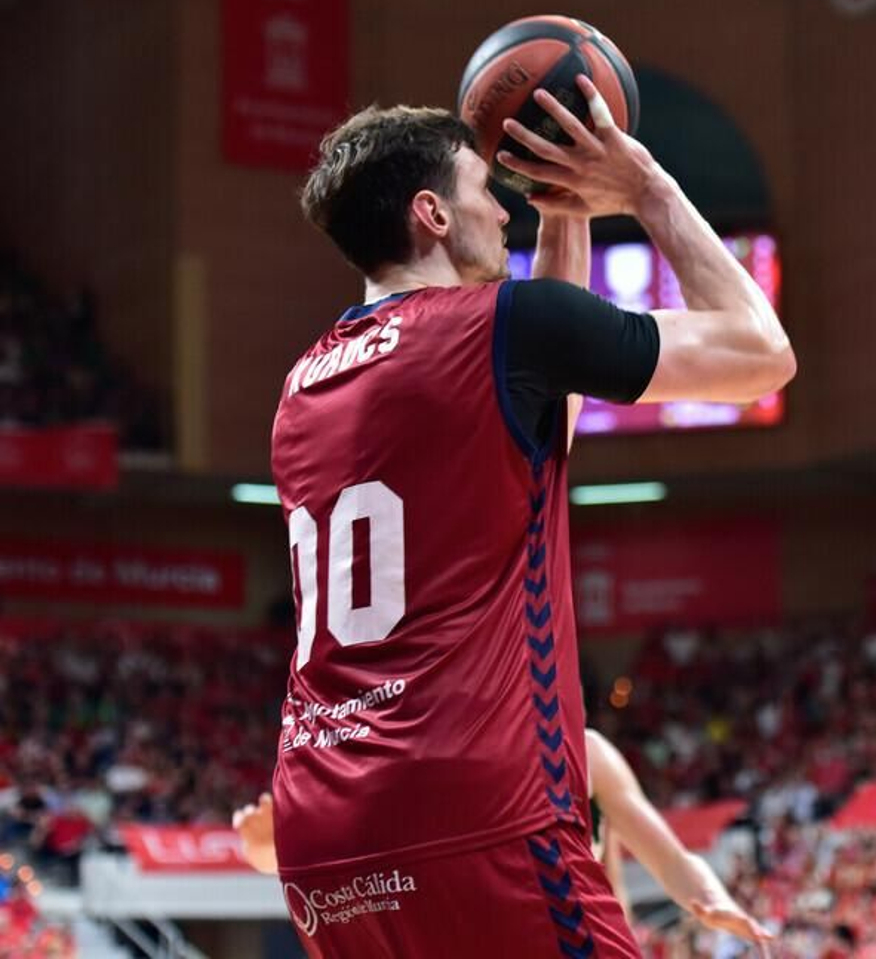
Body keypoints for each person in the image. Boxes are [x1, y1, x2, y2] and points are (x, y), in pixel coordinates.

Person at [271, 77, 794, 958]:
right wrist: (645, 188)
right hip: (474, 811)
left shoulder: (302, 386)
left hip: (323, 833)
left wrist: (563, 208)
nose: (504, 212)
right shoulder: (504, 325)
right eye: (488, 191)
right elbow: (762, 354)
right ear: (433, 214)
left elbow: (539, 411)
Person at [236, 730, 773, 953]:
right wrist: (265, 844)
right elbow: (343, 853)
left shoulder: (586, 752)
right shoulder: (448, 756)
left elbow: (672, 859)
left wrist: (715, 900)